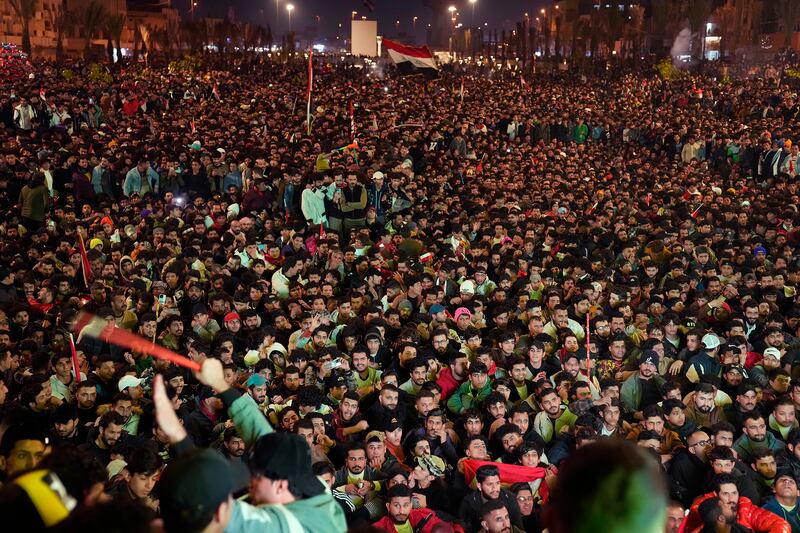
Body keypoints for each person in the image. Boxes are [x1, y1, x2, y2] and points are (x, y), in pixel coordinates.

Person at [152, 360, 347, 532]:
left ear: (280, 485)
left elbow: (210, 497)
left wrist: (176, 434)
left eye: (256, 479)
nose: (250, 484)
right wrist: (220, 384)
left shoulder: (275, 527)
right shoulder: (316, 490)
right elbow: (261, 434)